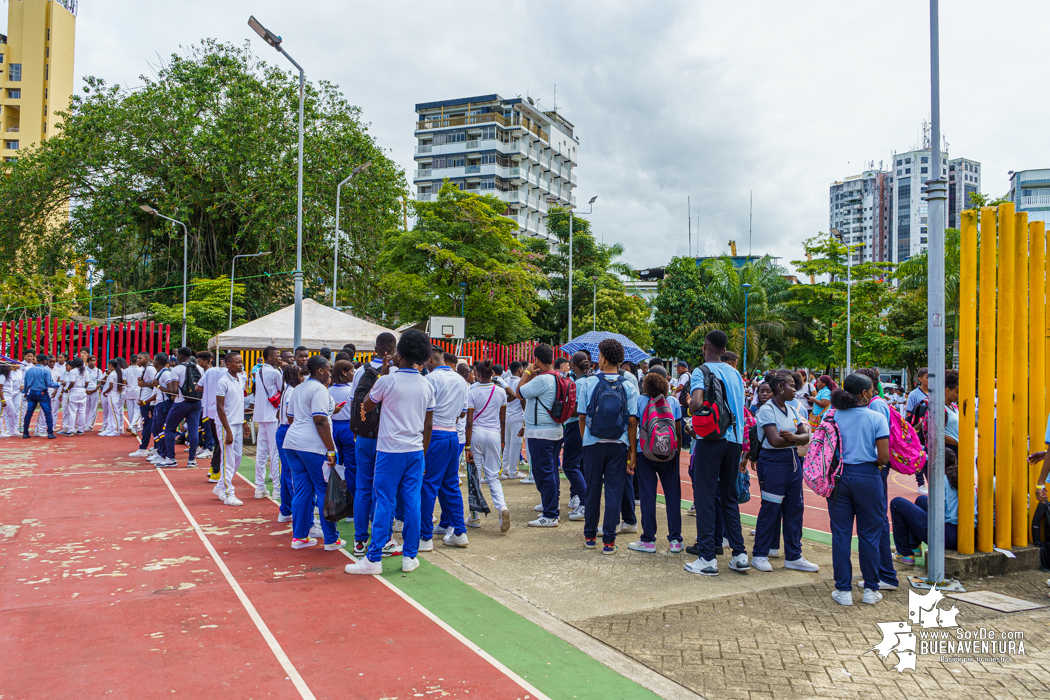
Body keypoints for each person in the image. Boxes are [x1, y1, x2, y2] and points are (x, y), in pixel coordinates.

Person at [346, 330, 435, 575]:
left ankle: (374, 558)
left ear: (402, 352)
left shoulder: (387, 380)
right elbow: (428, 424)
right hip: (415, 450)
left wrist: (382, 376)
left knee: (384, 501)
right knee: (412, 503)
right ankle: (409, 556)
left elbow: (366, 405)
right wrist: (423, 452)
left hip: (389, 450)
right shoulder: (426, 383)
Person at [686, 330, 749, 576]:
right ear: (724, 351)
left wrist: (691, 404)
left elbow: (698, 402)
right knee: (728, 497)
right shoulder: (735, 373)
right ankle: (740, 554)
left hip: (710, 438)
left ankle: (707, 557)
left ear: (705, 347)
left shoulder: (700, 371)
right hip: (734, 441)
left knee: (705, 497)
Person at [826, 373, 890, 606]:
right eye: (872, 389)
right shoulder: (876, 418)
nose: (873, 393)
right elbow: (883, 456)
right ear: (864, 393)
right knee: (870, 535)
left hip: (839, 477)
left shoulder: (832, 415)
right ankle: (871, 589)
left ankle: (843, 590)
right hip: (868, 476)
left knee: (841, 534)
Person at [576, 338, 639, 554]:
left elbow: (582, 417)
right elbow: (632, 421)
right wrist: (632, 452)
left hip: (593, 444)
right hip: (618, 446)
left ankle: (590, 536)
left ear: (602, 358)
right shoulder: (629, 385)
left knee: (592, 490)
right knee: (614, 491)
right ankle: (609, 541)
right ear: (621, 360)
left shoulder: (588, 383)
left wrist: (587, 441)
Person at [751, 371, 817, 573]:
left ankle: (794, 555)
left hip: (793, 462)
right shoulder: (767, 410)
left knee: (795, 508)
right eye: (791, 385)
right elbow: (774, 440)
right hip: (773, 463)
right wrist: (796, 438)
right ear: (780, 388)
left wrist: (794, 438)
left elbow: (806, 437)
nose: (795, 389)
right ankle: (760, 554)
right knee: (771, 508)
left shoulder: (792, 410)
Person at [283, 355, 345, 551]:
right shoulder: (319, 389)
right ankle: (331, 539)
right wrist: (331, 449)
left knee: (302, 490)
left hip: (293, 443)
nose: (330, 372)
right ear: (320, 370)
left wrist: (330, 411)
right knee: (324, 490)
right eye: (328, 369)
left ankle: (300, 537)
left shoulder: (299, 388)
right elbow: (319, 419)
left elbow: (291, 417)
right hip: (313, 446)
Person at [351, 332, 403, 558]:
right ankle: (385, 539)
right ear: (394, 350)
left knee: (363, 488)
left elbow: (356, 403)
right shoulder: (397, 374)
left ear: (375, 348)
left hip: (364, 437)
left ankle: (360, 541)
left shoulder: (360, 371)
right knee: (385, 492)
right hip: (388, 440)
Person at [419, 347, 469, 552]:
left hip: (434, 435)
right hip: (452, 434)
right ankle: (459, 532)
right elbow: (462, 413)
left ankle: (424, 537)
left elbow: (423, 412)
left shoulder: (429, 380)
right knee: (451, 485)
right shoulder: (461, 380)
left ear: (430, 359)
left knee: (428, 486)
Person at [629, 370, 683, 553]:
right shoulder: (673, 402)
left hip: (645, 452)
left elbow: (633, 425)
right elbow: (678, 430)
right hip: (669, 454)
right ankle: (675, 540)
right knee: (673, 496)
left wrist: (632, 454)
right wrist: (676, 452)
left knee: (648, 495)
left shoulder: (640, 402)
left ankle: (648, 539)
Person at [856, 367, 901, 590]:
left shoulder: (875, 405)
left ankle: (885, 575)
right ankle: (883, 573)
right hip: (876, 467)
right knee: (877, 520)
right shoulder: (876, 404)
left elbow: (879, 442)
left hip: (876, 467)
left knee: (877, 522)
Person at [891, 449, 968, 565]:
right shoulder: (960, 479)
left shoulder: (940, 482)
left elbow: (936, 513)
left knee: (897, 503)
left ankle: (904, 554)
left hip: (946, 536)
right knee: (921, 500)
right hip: (963, 533)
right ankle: (914, 546)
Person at [515, 343, 564, 527]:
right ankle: (551, 505)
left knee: (542, 472)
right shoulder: (558, 376)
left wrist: (527, 373)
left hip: (540, 432)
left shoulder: (541, 380)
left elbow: (520, 392)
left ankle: (550, 514)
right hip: (555, 430)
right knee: (551, 471)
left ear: (536, 360)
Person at [465, 360, 511, 533]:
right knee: (493, 477)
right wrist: (502, 441)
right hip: (494, 435)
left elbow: (469, 422)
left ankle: (475, 516)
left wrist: (467, 446)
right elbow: (502, 419)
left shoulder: (472, 391)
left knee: (474, 476)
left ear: (477, 374)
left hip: (476, 434)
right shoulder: (500, 392)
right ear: (492, 374)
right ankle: (502, 508)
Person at [212, 351, 247, 507]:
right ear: (228, 364)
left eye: (241, 362)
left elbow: (238, 403)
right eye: (237, 362)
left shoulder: (241, 379)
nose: (241, 364)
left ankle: (220, 485)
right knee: (228, 459)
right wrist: (228, 430)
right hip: (226, 425)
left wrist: (244, 421)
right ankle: (228, 493)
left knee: (237, 457)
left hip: (238, 422)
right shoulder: (223, 381)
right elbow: (220, 408)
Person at [558, 352, 590, 521]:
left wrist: (564, 409)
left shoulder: (578, 384)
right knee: (582, 465)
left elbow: (578, 409)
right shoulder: (592, 381)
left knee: (569, 465)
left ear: (574, 365)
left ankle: (586, 503)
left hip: (576, 425)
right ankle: (583, 501)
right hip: (589, 428)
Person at [162, 347, 203, 468]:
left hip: (181, 402)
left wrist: (160, 387)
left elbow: (174, 390)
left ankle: (171, 458)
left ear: (179, 356)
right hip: (196, 402)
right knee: (193, 429)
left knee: (169, 428)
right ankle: (192, 460)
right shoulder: (199, 368)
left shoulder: (176, 369)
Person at [328, 359, 358, 522]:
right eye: (352, 371)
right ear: (344, 373)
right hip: (348, 429)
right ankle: (351, 511)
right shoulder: (350, 391)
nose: (354, 374)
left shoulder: (328, 390)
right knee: (352, 469)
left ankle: (336, 506)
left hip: (333, 429)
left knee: (336, 468)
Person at [253, 346, 284, 499]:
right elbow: (283, 390)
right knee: (274, 452)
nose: (280, 358)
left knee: (262, 452)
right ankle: (277, 489)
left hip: (261, 415)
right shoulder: (275, 372)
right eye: (277, 355)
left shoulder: (258, 371)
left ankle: (259, 488)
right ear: (270, 358)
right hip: (272, 415)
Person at [275, 364, 302, 523]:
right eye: (300, 375)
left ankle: (285, 510)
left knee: (287, 472)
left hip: (283, 429)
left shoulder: (287, 390)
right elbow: (288, 414)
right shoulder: (292, 391)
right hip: (287, 429)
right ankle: (302, 515)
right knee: (292, 473)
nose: (303, 377)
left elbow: (280, 412)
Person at [499, 361, 527, 480]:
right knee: (516, 445)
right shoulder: (520, 383)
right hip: (516, 417)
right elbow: (522, 400)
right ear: (520, 370)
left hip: (506, 417)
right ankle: (513, 471)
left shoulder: (505, 381)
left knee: (507, 445)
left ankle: (505, 469)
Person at [21, 354, 58, 439]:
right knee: (47, 413)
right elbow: (50, 384)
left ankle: (25, 432)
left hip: (32, 393)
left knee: (29, 413)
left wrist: (25, 392)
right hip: (42, 393)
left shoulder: (29, 370)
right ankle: (50, 433)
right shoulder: (46, 370)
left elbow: (26, 384)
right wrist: (59, 384)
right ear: (44, 361)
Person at [60, 358, 89, 436]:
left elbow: (72, 382)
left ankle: (71, 430)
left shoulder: (73, 371)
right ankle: (81, 430)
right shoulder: (85, 371)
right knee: (82, 411)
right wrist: (83, 388)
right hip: (82, 391)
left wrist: (67, 389)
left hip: (74, 391)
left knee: (72, 411)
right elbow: (87, 383)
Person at [98, 359, 125, 437]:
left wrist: (104, 392)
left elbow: (110, 386)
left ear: (110, 365)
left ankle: (116, 430)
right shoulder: (116, 373)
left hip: (112, 395)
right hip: (113, 394)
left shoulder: (112, 374)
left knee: (114, 413)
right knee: (111, 413)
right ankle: (110, 428)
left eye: (108, 364)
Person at [124, 353, 146, 436]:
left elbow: (124, 382)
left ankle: (132, 426)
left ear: (129, 361)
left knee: (130, 410)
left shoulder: (126, 370)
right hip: (138, 391)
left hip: (129, 390)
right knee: (137, 409)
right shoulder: (141, 370)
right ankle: (133, 426)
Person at [0, 362, 23, 438]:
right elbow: (0, 388)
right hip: (4, 396)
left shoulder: (8, 376)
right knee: (2, 415)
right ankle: (1, 431)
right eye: (9, 366)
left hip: (9, 397)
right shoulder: (2, 376)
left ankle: (12, 430)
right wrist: (3, 400)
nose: (10, 367)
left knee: (13, 414)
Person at [82, 355, 104, 433]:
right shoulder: (84, 370)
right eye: (91, 361)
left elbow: (100, 382)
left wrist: (95, 389)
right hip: (86, 390)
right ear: (88, 361)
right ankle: (84, 424)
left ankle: (91, 425)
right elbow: (82, 380)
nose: (93, 362)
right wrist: (85, 389)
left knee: (94, 409)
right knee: (86, 409)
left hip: (94, 391)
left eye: (94, 361)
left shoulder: (98, 371)